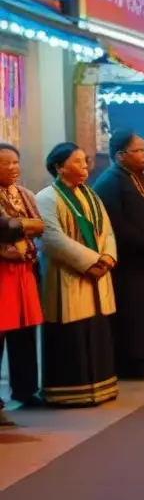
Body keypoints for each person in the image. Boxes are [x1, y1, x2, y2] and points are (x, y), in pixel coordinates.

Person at [35, 143, 119, 407]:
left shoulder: (90, 195)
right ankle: (69, 392)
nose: (85, 167)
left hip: (97, 274)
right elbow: (50, 238)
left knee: (95, 331)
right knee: (71, 331)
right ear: (60, 168)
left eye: (85, 161)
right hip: (67, 276)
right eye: (78, 162)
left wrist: (107, 257)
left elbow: (106, 230)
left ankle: (102, 387)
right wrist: (90, 261)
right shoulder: (47, 197)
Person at [93, 129, 144, 380]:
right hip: (130, 262)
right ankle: (133, 364)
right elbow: (114, 223)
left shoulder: (141, 178)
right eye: (137, 150)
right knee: (135, 314)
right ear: (120, 155)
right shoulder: (110, 182)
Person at [0, 143, 45, 423]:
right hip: (2, 271)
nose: (13, 168)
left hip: (23, 270)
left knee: (24, 332)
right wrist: (22, 225)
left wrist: (18, 225)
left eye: (16, 162)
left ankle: (26, 389)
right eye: (6, 163)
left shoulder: (25, 194)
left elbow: (40, 225)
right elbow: (6, 228)